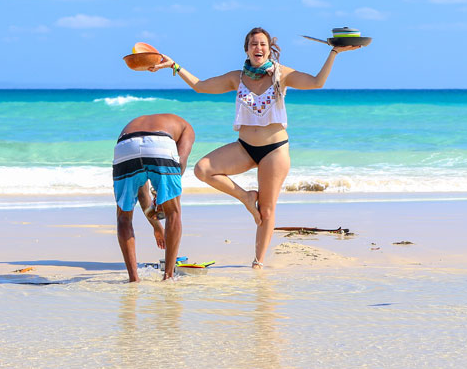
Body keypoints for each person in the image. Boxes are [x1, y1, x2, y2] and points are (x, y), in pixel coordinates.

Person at [150, 27, 359, 268]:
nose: (258, 48)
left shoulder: (282, 75)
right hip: (245, 147)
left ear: (270, 49)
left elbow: (317, 82)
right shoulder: (236, 77)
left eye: (262, 44)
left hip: (275, 150)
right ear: (246, 49)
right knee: (203, 169)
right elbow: (199, 85)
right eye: (253, 44)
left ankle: (258, 262)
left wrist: (333, 52)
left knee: (267, 210)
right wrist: (174, 66)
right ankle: (246, 197)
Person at [112, 113, 195, 282]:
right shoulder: (187, 128)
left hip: (126, 146)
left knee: (123, 216)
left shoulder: (136, 122)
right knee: (174, 213)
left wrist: (157, 226)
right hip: (160, 144)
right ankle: (169, 276)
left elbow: (142, 192)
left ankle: (133, 279)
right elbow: (180, 163)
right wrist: (163, 196)